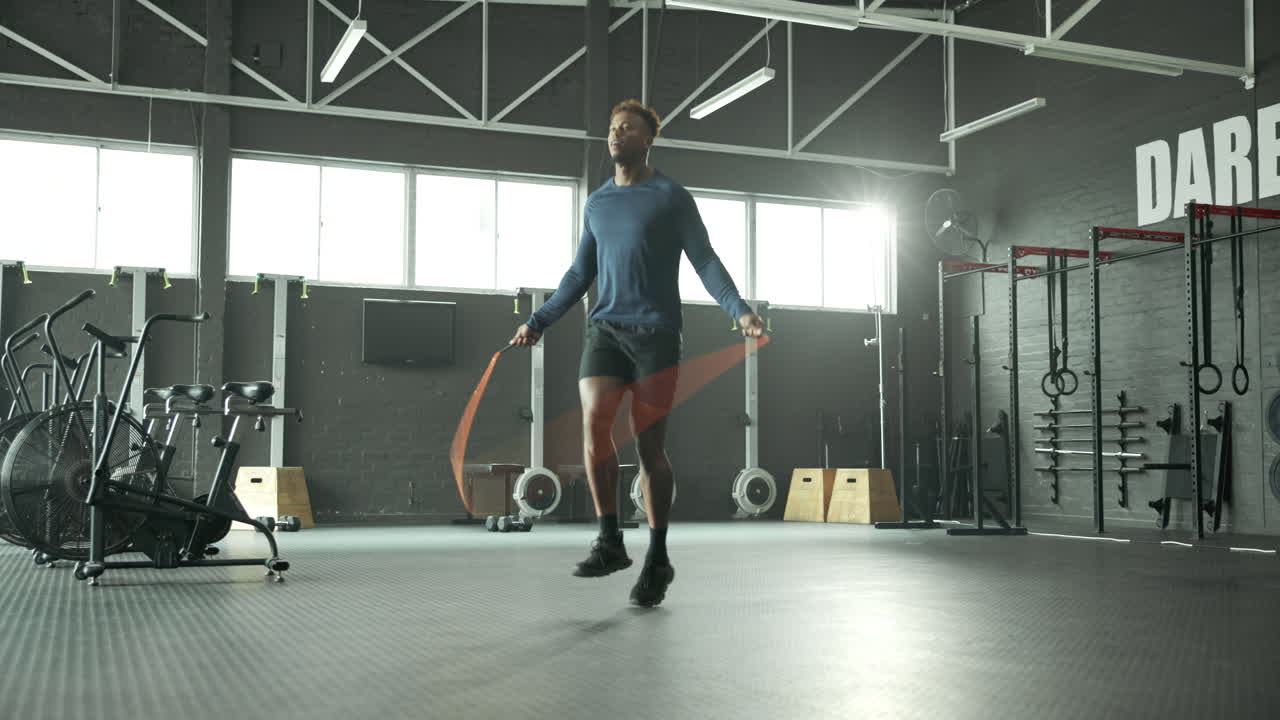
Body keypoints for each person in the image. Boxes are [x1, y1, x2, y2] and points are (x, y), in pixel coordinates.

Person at [510, 99, 765, 608]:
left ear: (648, 140)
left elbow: (705, 259)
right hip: (604, 330)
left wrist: (740, 311)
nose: (615, 134)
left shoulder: (670, 196)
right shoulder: (598, 202)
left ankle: (658, 557)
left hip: (656, 336)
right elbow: (580, 274)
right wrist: (538, 321)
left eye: (627, 128)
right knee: (595, 425)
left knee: (649, 448)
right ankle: (610, 540)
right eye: (611, 127)